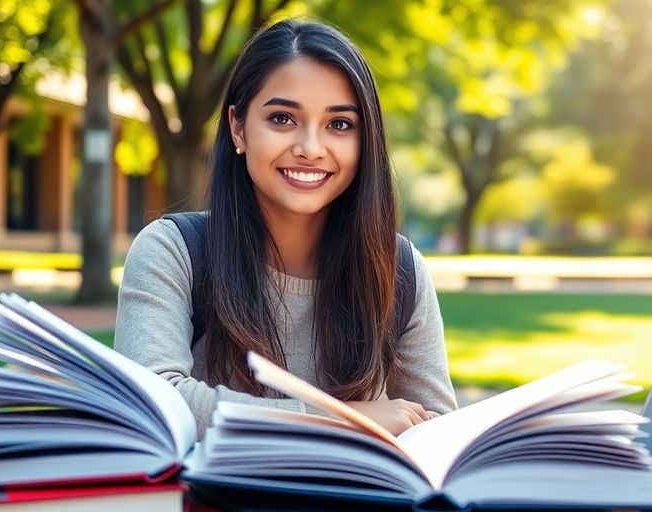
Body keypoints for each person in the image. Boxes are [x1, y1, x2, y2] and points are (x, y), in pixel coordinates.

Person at [115, 19, 456, 438]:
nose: (310, 148)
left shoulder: (400, 270)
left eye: (340, 125)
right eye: (282, 118)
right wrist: (343, 420)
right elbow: (151, 401)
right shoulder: (174, 251)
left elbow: (441, 433)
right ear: (238, 128)